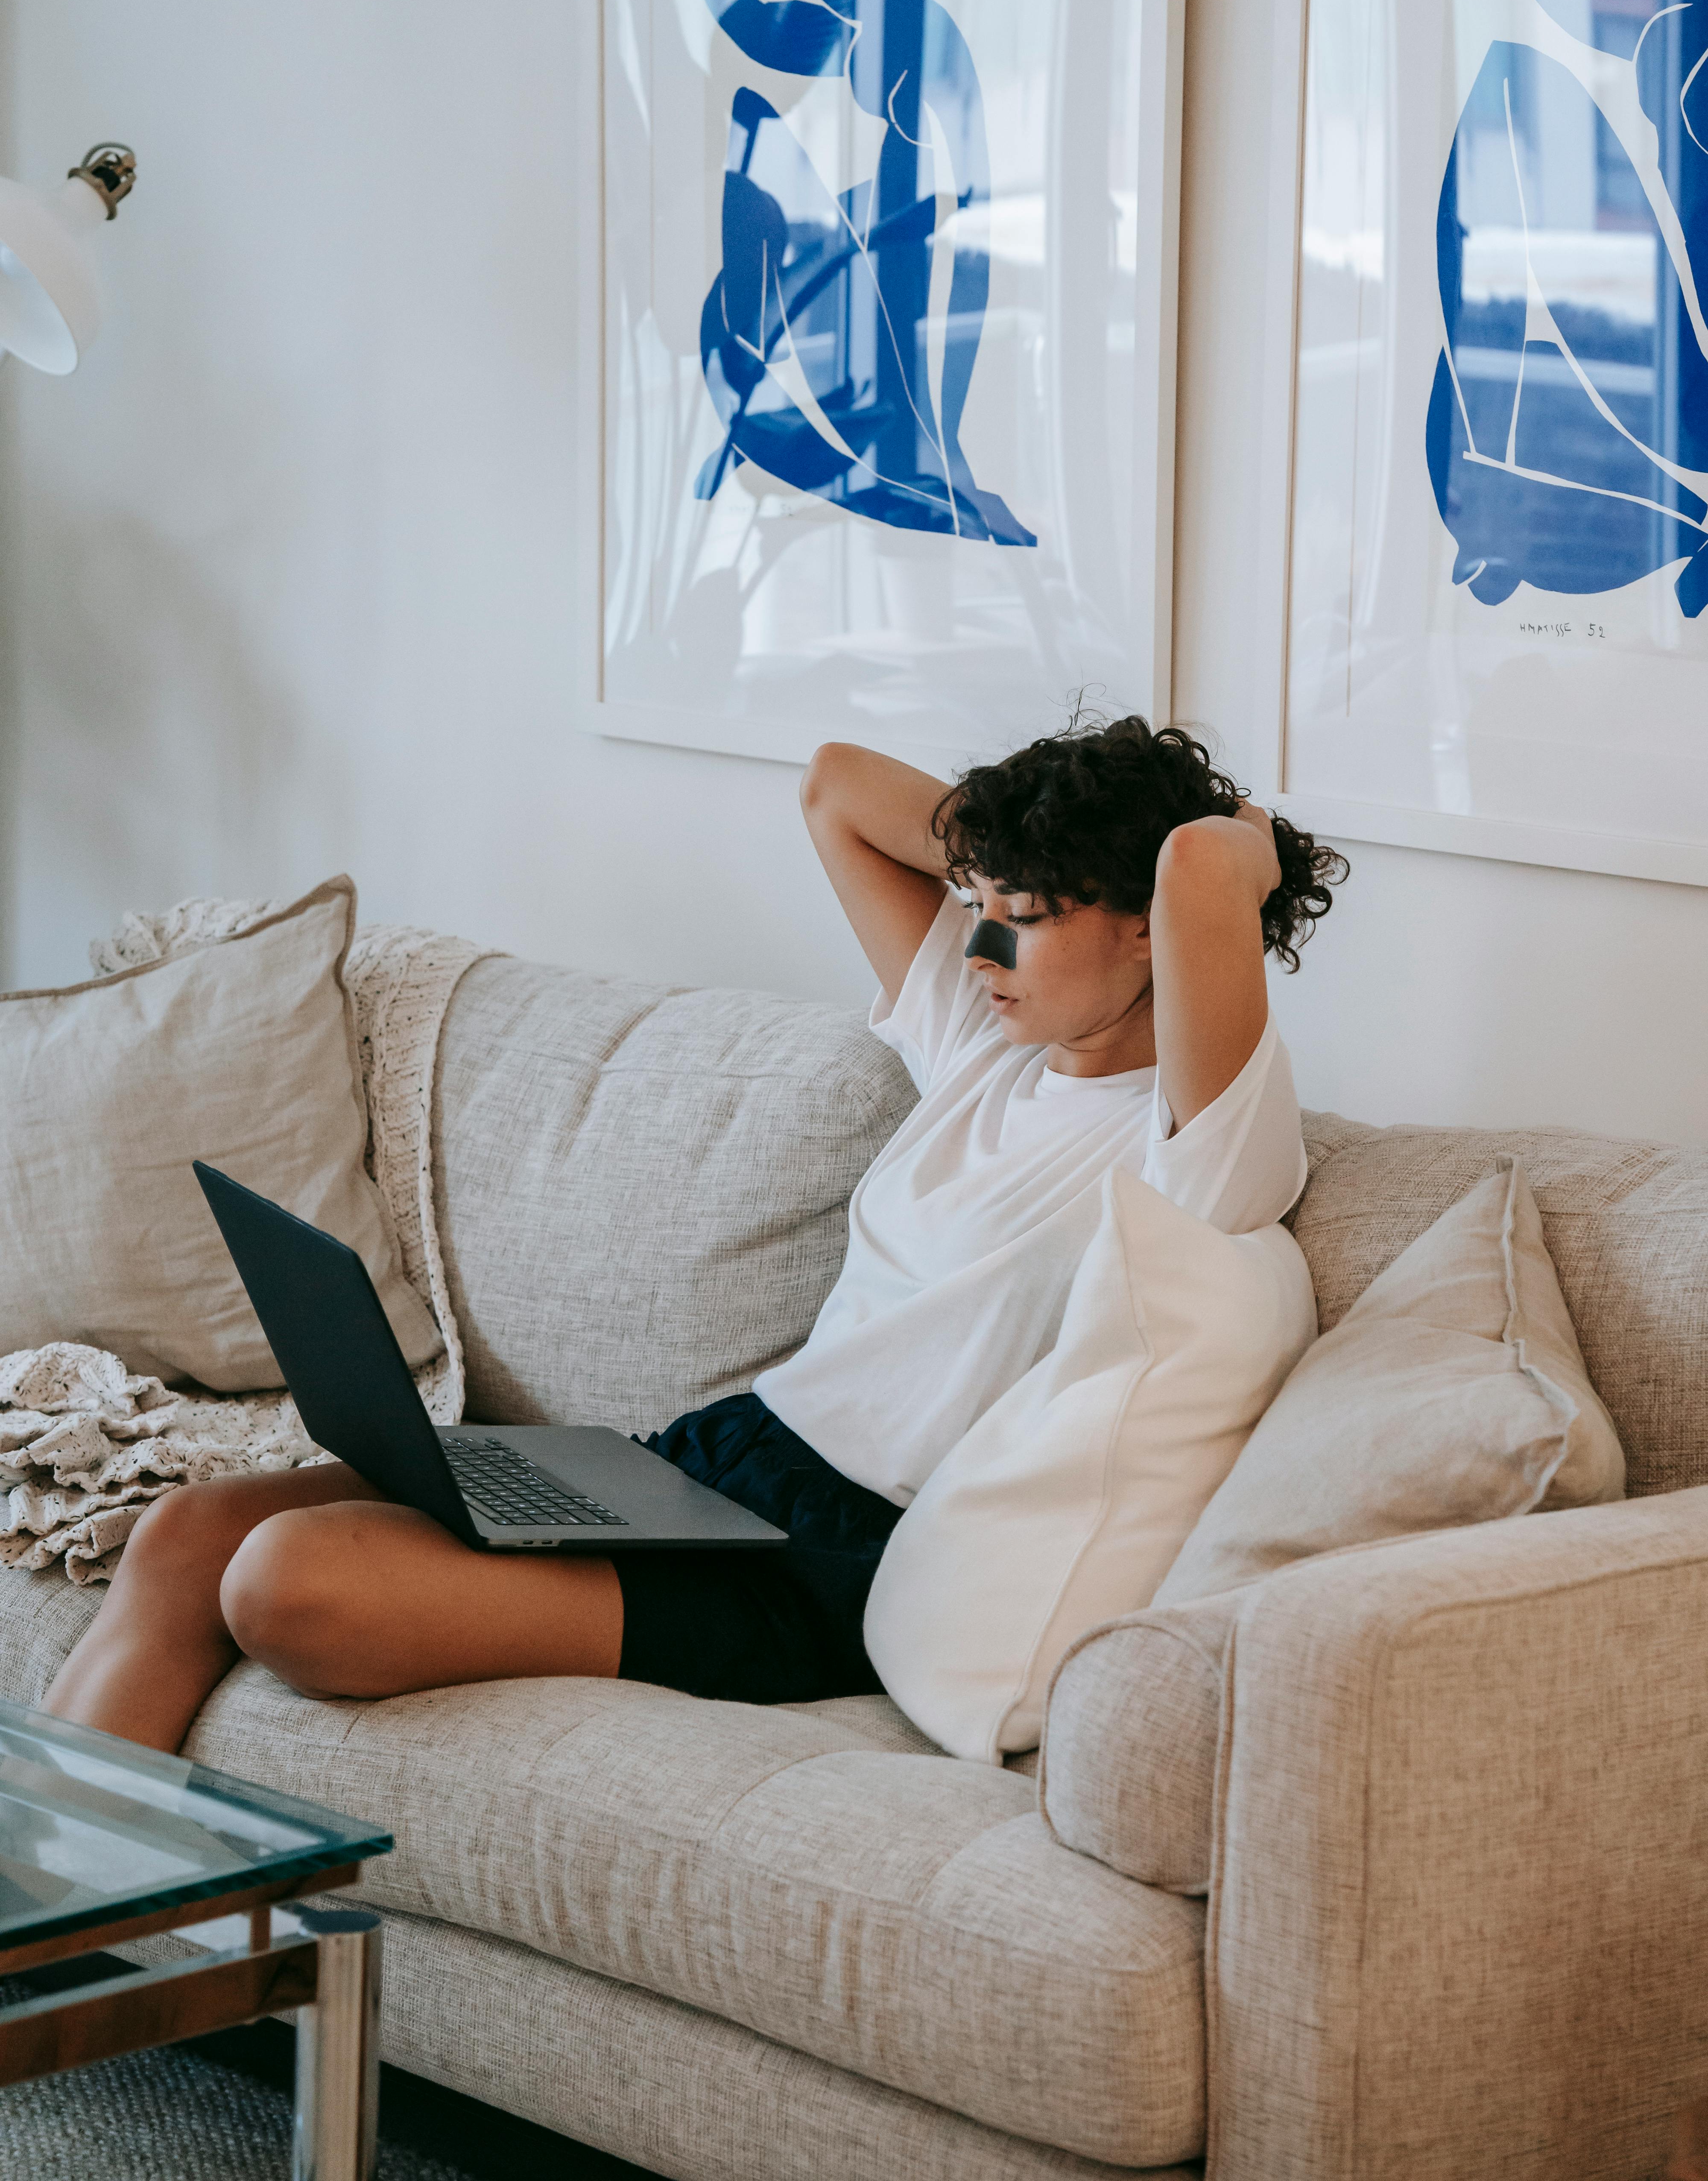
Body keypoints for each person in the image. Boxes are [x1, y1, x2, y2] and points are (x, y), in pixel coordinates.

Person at [45, 715, 1346, 1754]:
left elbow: (1191, 872)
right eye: (980, 897)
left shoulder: (1201, 1138)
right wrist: (1021, 845)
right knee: (189, 1534)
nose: (987, 938)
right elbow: (837, 785)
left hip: (828, 1561)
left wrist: (1239, 837)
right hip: (717, 1462)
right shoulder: (983, 1044)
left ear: (1145, 931)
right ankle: (42, 1937)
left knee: (289, 1583)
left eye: (1035, 909)